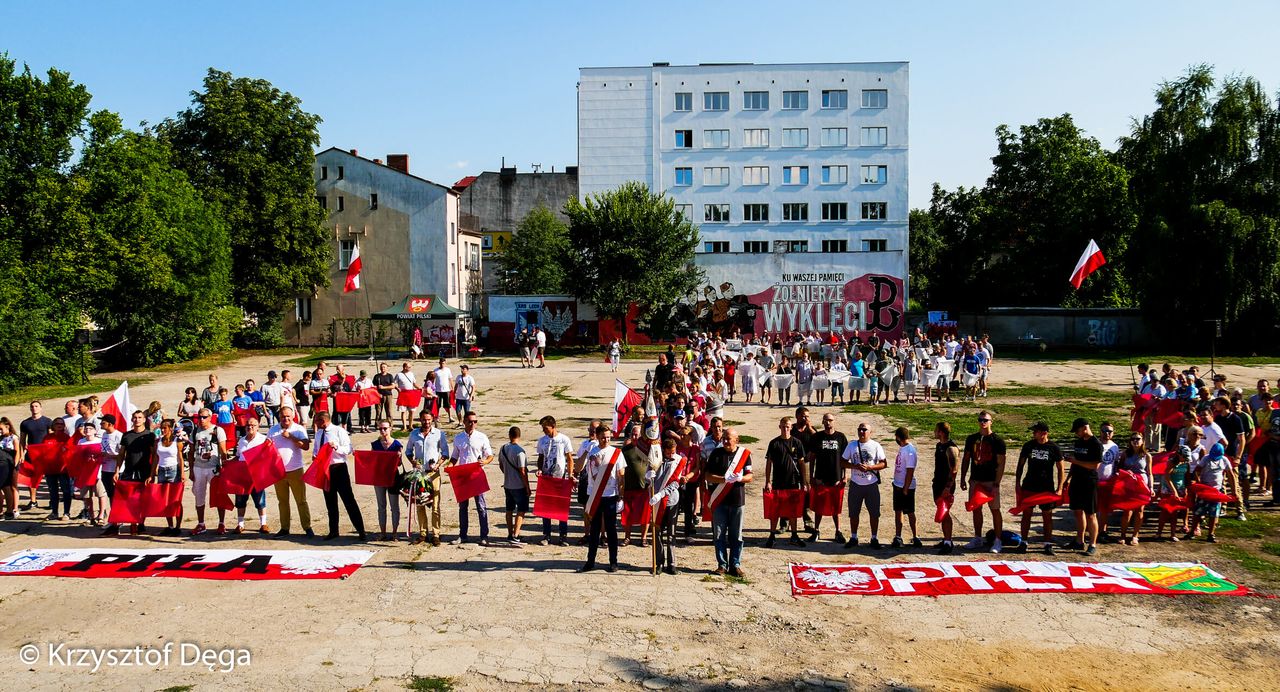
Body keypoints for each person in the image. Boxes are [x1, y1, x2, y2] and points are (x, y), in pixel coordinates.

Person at [705, 428, 753, 577]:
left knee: (736, 536)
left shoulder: (744, 455)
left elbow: (750, 476)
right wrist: (723, 480)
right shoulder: (716, 454)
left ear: (736, 440)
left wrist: (740, 478)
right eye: (724, 438)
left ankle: (735, 565)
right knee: (719, 535)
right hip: (720, 501)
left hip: (737, 501)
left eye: (729, 438)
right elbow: (707, 476)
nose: (725, 441)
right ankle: (722, 565)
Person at [314, 410, 366, 541]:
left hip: (339, 468)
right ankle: (333, 530)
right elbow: (316, 449)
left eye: (317, 421)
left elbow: (348, 449)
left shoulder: (339, 431)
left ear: (323, 421)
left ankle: (361, 530)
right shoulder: (319, 433)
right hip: (325, 469)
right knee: (330, 502)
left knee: (348, 500)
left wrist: (336, 447)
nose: (315, 423)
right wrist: (316, 456)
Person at [959, 410, 1006, 553]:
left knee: (995, 509)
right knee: (976, 509)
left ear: (991, 422)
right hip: (976, 479)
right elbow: (966, 458)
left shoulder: (997, 441)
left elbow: (1001, 463)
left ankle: (998, 540)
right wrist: (962, 477)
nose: (983, 422)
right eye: (980, 420)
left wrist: (997, 482)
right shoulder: (971, 439)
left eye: (985, 420)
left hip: (991, 480)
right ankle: (977, 537)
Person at [580, 424, 624, 572]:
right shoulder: (591, 451)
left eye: (608, 437)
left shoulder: (616, 453)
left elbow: (621, 475)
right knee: (595, 529)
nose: (606, 439)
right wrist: (585, 453)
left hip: (610, 495)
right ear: (597, 437)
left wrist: (621, 495)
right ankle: (590, 561)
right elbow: (581, 468)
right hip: (594, 494)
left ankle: (613, 561)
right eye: (603, 437)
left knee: (611, 530)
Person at [1015, 421, 1063, 554]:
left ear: (1044, 433)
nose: (1033, 433)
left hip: (1046, 487)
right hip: (1029, 485)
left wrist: (1059, 488)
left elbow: (1060, 469)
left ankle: (1047, 544)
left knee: (1047, 516)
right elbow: (1020, 465)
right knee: (1026, 514)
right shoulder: (1028, 445)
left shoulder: (1054, 448)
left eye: (1035, 431)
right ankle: (1023, 542)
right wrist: (1017, 483)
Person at [448, 411, 494, 545]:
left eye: (475, 421)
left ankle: (484, 536)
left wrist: (485, 462)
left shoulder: (482, 437)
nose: (473, 424)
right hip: (463, 475)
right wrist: (450, 467)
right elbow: (455, 457)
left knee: (481, 506)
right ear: (464, 422)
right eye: (470, 421)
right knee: (463, 507)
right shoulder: (458, 438)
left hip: (476, 475)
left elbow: (490, 455)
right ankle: (463, 535)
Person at [405, 411, 449, 546]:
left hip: (433, 474)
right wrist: (413, 462)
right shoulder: (414, 434)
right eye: (424, 420)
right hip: (419, 474)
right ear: (420, 420)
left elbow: (445, 453)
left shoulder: (439, 434)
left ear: (432, 419)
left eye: (429, 420)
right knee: (420, 504)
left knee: (435, 505)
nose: (427, 422)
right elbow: (408, 452)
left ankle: (436, 534)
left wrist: (438, 465)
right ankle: (423, 533)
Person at [268, 405, 313, 537]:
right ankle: (284, 527)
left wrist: (291, 437)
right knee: (282, 501)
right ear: (279, 417)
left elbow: (305, 446)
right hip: (278, 471)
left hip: (295, 469)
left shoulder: (298, 429)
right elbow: (267, 447)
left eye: (288, 416)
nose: (285, 419)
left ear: (293, 416)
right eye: (283, 417)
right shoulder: (273, 430)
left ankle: (307, 527)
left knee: (301, 500)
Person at [763, 416, 807, 548]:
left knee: (793, 510)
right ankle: (772, 535)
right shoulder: (774, 443)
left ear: (791, 427)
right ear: (779, 427)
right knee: (774, 510)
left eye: (787, 426)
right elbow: (769, 463)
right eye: (783, 426)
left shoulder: (797, 443)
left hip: (793, 481)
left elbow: (802, 463)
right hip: (777, 481)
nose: (785, 428)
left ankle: (794, 534)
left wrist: (804, 482)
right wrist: (768, 481)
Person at [841, 422, 887, 549]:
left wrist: (870, 467)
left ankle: (874, 538)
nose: (861, 432)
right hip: (856, 484)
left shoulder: (876, 445)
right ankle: (854, 537)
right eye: (860, 429)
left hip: (871, 484)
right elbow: (842, 462)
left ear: (870, 432)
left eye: (864, 430)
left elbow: (883, 463)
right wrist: (855, 466)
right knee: (854, 512)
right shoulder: (852, 445)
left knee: (874, 513)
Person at [1185, 443, 1238, 543]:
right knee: (1198, 511)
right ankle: (1192, 531)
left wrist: (1234, 490)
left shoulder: (1224, 460)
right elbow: (1196, 471)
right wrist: (1199, 483)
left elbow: (1231, 475)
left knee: (1214, 513)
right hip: (1205, 490)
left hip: (1217, 491)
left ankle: (1211, 534)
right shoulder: (1206, 458)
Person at [1065, 417, 1103, 556]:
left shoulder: (1096, 444)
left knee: (1090, 514)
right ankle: (1079, 540)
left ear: (1085, 428)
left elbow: (1095, 465)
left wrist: (1075, 461)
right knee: (1077, 511)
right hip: (1077, 480)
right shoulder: (1079, 442)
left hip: (1089, 481)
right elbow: (1075, 463)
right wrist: (1068, 478)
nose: (1076, 433)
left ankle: (1092, 543)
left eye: (1077, 430)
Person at [808, 413, 848, 543]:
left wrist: (845, 475)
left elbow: (845, 458)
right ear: (822, 422)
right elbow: (812, 457)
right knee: (819, 505)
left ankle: (838, 531)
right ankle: (816, 530)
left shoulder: (841, 437)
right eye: (825, 420)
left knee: (836, 506)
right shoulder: (817, 437)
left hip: (836, 477)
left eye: (830, 420)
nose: (828, 422)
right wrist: (812, 476)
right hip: (820, 476)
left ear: (834, 421)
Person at [189, 408, 229, 535]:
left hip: (213, 468)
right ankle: (201, 523)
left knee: (218, 495)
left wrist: (224, 467)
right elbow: (190, 451)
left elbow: (223, 450)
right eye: (199, 417)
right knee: (199, 497)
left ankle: (221, 523)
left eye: (204, 417)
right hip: (198, 467)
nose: (201, 419)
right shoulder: (195, 430)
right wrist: (191, 470)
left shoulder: (218, 430)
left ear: (210, 417)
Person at [535, 415, 575, 545]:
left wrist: (570, 474)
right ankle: (546, 535)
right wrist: (539, 469)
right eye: (543, 429)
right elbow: (541, 457)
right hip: (546, 477)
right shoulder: (542, 441)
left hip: (560, 477)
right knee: (546, 507)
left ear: (553, 426)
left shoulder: (564, 439)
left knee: (561, 507)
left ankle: (563, 535)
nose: (544, 431)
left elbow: (569, 458)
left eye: (546, 428)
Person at [649, 438, 685, 575]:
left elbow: (675, 483)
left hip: (671, 501)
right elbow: (649, 473)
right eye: (669, 453)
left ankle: (672, 563)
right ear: (664, 450)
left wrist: (661, 494)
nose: (671, 455)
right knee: (657, 533)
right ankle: (659, 562)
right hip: (656, 502)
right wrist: (648, 476)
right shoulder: (656, 458)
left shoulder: (679, 461)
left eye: (673, 452)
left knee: (671, 533)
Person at [117, 411, 156, 535]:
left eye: (140, 417)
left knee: (143, 499)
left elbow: (154, 455)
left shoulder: (150, 435)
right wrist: (117, 470)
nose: (137, 420)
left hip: (144, 470)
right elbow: (122, 454)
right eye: (135, 417)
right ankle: (133, 523)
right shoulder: (126, 435)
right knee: (130, 499)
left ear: (144, 420)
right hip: (129, 470)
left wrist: (152, 473)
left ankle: (141, 522)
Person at [232, 417, 271, 534]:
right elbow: (238, 456)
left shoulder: (263, 440)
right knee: (240, 500)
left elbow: (268, 456)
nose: (250, 427)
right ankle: (240, 524)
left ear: (258, 426)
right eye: (248, 425)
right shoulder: (241, 441)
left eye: (253, 425)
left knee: (260, 500)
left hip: (257, 475)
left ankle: (263, 524)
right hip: (243, 475)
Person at [1118, 433, 1154, 545]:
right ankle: (1123, 535)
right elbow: (1119, 468)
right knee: (1127, 510)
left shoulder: (1147, 456)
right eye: (1133, 439)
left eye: (1138, 439)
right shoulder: (1125, 454)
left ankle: (1135, 536)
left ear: (1142, 441)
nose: (1135, 441)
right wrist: (1125, 471)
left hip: (1142, 485)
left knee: (1139, 511)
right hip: (1128, 485)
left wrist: (1151, 487)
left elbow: (1150, 473)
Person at [370, 422, 404, 540]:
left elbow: (399, 463)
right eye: (381, 429)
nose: (383, 431)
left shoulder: (396, 444)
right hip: (379, 477)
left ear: (390, 429)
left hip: (393, 477)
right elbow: (372, 462)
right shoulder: (375, 444)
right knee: (381, 506)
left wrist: (399, 457)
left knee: (394, 506)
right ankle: (383, 532)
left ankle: (394, 533)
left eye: (385, 428)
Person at [18, 400, 53, 512]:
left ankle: (53, 501)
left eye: (36, 406)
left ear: (40, 408)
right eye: (32, 406)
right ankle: (33, 501)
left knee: (49, 478)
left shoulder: (47, 421)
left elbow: (51, 438)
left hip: (44, 453)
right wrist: (21, 454)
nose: (34, 408)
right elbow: (22, 441)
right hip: (31, 454)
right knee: (31, 478)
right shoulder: (25, 423)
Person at [498, 426, 530, 544]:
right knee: (521, 510)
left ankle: (510, 533)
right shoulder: (520, 451)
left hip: (507, 484)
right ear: (519, 436)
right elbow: (522, 470)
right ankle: (516, 535)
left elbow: (501, 465)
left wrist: (507, 474)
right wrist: (527, 486)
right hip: (519, 486)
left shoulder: (503, 449)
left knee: (509, 509)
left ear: (509, 435)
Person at [621, 424, 652, 547]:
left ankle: (643, 538)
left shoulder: (647, 449)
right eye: (633, 434)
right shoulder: (625, 450)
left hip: (644, 487)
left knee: (645, 514)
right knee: (627, 514)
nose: (634, 436)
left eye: (637, 434)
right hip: (628, 486)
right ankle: (627, 537)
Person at [932, 422, 960, 554]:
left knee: (945, 512)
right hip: (938, 483)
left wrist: (948, 488)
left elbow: (954, 470)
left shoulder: (951, 448)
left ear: (941, 432)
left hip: (945, 485)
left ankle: (948, 542)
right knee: (942, 512)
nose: (934, 432)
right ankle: (945, 539)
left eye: (936, 430)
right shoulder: (939, 446)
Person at [890, 427, 921, 548]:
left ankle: (916, 536)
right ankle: (898, 536)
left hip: (905, 486)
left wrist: (906, 488)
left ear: (898, 437)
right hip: (898, 484)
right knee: (898, 511)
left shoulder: (909, 451)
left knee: (910, 511)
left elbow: (910, 471)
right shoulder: (903, 448)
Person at [76, 421, 109, 526]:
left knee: (101, 494)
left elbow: (104, 455)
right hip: (85, 473)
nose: (87, 430)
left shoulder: (100, 441)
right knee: (86, 496)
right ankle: (91, 516)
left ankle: (101, 515)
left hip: (97, 472)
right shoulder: (81, 442)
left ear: (95, 431)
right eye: (86, 429)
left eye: (90, 428)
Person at [1157, 445, 1192, 541]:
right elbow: (1167, 477)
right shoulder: (1171, 462)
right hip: (1168, 488)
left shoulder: (1186, 463)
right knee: (1165, 511)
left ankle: (1172, 534)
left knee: (1175, 512)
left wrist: (1186, 489)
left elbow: (1187, 476)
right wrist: (1174, 491)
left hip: (1180, 487)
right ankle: (1159, 533)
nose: (1185, 459)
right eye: (1183, 457)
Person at [98, 413, 124, 535]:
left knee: (117, 496)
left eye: (103, 422)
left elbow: (123, 454)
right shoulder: (104, 434)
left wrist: (110, 456)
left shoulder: (119, 436)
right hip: (105, 469)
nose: (100, 424)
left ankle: (118, 519)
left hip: (116, 470)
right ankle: (114, 519)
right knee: (110, 495)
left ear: (110, 424)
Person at [394, 362, 418, 432]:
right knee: (403, 411)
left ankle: (410, 425)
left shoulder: (411, 374)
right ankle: (404, 426)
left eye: (410, 367)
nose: (410, 368)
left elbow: (414, 383)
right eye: (409, 367)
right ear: (405, 367)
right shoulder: (399, 375)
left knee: (412, 411)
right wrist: (397, 388)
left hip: (411, 393)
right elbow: (394, 383)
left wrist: (419, 388)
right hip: (403, 394)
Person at [372, 363, 396, 429]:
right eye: (382, 367)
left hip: (388, 395)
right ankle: (377, 424)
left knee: (389, 411)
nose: (383, 368)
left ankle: (390, 424)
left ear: (387, 368)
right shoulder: (377, 376)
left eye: (384, 367)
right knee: (378, 411)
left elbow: (393, 386)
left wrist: (383, 387)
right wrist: (377, 390)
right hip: (378, 396)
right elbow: (373, 386)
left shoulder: (390, 376)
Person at [433, 358, 455, 424]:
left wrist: (453, 388)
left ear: (445, 363)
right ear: (439, 363)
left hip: (446, 390)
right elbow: (433, 380)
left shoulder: (448, 370)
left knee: (447, 405)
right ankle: (437, 417)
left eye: (443, 363)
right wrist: (432, 389)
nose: (442, 364)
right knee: (437, 405)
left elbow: (450, 379)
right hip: (438, 390)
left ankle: (450, 417)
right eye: (441, 363)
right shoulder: (436, 370)